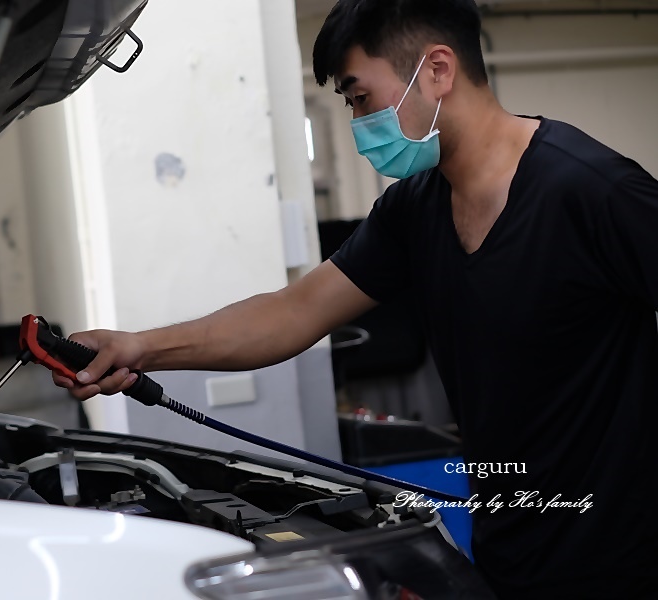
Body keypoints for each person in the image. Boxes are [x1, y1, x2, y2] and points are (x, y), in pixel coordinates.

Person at [53, 1, 658, 597]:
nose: (359, 122)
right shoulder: (415, 209)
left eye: (361, 98)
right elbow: (293, 313)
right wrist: (139, 347)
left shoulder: (593, 191)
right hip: (511, 550)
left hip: (627, 558)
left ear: (438, 70)